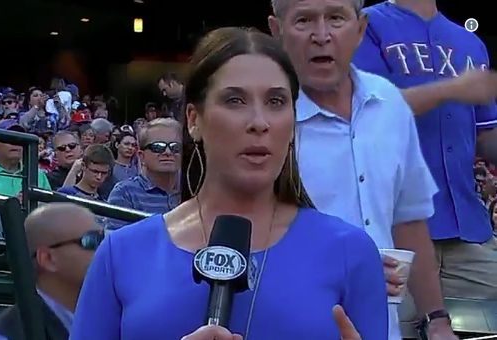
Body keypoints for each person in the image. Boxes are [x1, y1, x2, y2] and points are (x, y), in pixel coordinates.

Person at [69, 27, 388, 340]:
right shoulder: (122, 254)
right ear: (194, 121)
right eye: (235, 100)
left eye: (276, 102)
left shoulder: (351, 252)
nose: (259, 123)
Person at [267, 0, 453, 339]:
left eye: (336, 18)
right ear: (277, 30)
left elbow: (408, 219)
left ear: (361, 28)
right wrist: (345, 268)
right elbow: (234, 234)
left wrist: (437, 320)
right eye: (304, 20)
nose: (321, 35)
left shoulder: (389, 103)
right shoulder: (262, 119)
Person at [352, 0, 497, 335]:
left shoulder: (469, 42)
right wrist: (452, 89)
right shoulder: (364, 25)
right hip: (391, 232)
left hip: (468, 231)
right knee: (392, 331)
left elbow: (485, 136)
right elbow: (370, 108)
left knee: (485, 329)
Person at [0, 203, 104, 340]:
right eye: (92, 241)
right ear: (48, 259)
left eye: (106, 240)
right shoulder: (8, 336)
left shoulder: (110, 319)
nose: (105, 250)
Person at [106, 118, 181, 230]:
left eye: (175, 147)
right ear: (141, 156)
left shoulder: (194, 191)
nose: (168, 152)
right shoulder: (125, 193)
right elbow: (117, 244)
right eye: (158, 147)